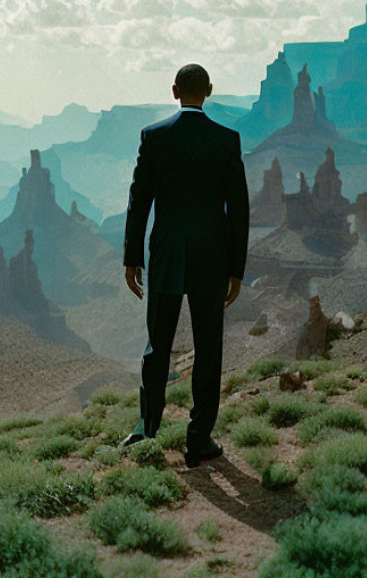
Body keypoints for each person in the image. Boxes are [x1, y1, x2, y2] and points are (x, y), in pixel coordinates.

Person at [120, 63, 250, 468]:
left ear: (175, 91)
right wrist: (237, 268)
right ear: (209, 91)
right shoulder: (227, 139)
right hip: (212, 258)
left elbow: (139, 200)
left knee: (157, 346)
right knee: (208, 348)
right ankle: (199, 441)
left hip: (167, 255)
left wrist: (132, 256)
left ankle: (146, 430)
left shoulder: (154, 136)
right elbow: (239, 209)